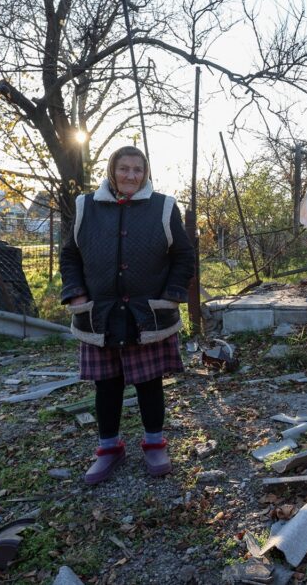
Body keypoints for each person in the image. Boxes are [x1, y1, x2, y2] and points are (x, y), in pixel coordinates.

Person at [59, 145, 195, 484]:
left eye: (138, 169)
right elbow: (70, 256)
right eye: (124, 169)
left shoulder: (163, 207)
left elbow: (184, 256)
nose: (131, 176)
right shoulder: (86, 207)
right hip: (100, 313)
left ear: (146, 173)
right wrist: (75, 293)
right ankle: (109, 449)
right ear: (112, 171)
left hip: (145, 313)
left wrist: (170, 295)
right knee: (107, 385)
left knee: (149, 383)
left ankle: (154, 443)